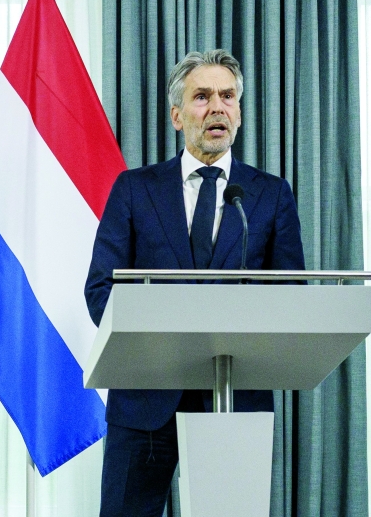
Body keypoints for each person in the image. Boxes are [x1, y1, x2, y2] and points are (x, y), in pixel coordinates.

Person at [84, 50, 305, 516]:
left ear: (239, 113)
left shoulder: (270, 195)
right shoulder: (134, 189)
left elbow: (291, 300)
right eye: (202, 97)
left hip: (235, 399)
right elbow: (101, 289)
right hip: (144, 399)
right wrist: (162, 349)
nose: (217, 107)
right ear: (177, 116)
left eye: (228, 96)